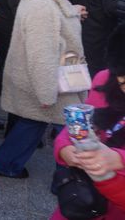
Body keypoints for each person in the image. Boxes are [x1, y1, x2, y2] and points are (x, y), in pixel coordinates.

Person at [0, 0, 86, 178]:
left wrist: (72, 12)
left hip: (57, 78)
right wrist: (46, 93)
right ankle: (68, 182)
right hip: (53, 81)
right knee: (69, 128)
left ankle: (6, 164)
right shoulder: (42, 5)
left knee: (34, 123)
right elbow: (41, 53)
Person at [52, 23, 125, 218]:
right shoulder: (105, 81)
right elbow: (77, 126)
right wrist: (65, 148)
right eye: (123, 81)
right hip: (83, 199)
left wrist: (118, 160)